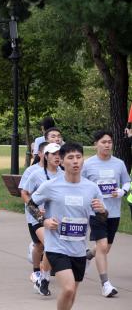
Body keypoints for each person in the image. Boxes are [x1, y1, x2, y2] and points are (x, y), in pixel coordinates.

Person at [28, 142, 108, 310]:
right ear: (62, 161)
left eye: (78, 157)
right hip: (57, 247)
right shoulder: (51, 186)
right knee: (68, 288)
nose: (75, 161)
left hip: (78, 249)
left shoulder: (91, 188)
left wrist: (102, 211)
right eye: (70, 158)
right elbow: (31, 204)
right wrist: (44, 221)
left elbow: (101, 218)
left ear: (83, 160)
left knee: (72, 294)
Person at [81, 130, 131, 297]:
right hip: (96, 212)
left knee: (105, 248)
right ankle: (106, 284)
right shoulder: (88, 164)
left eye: (109, 142)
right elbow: (80, 184)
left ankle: (87, 257)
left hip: (114, 211)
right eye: (103, 142)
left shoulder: (119, 164)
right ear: (96, 144)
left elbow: (127, 182)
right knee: (102, 246)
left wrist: (122, 191)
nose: (107, 145)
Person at [23, 142, 63, 296]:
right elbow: (25, 193)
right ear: (46, 156)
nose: (57, 157)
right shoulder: (36, 174)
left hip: (56, 219)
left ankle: (42, 275)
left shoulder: (63, 174)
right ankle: (42, 277)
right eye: (53, 154)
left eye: (59, 153)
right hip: (37, 218)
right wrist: (39, 214)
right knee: (49, 245)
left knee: (46, 247)